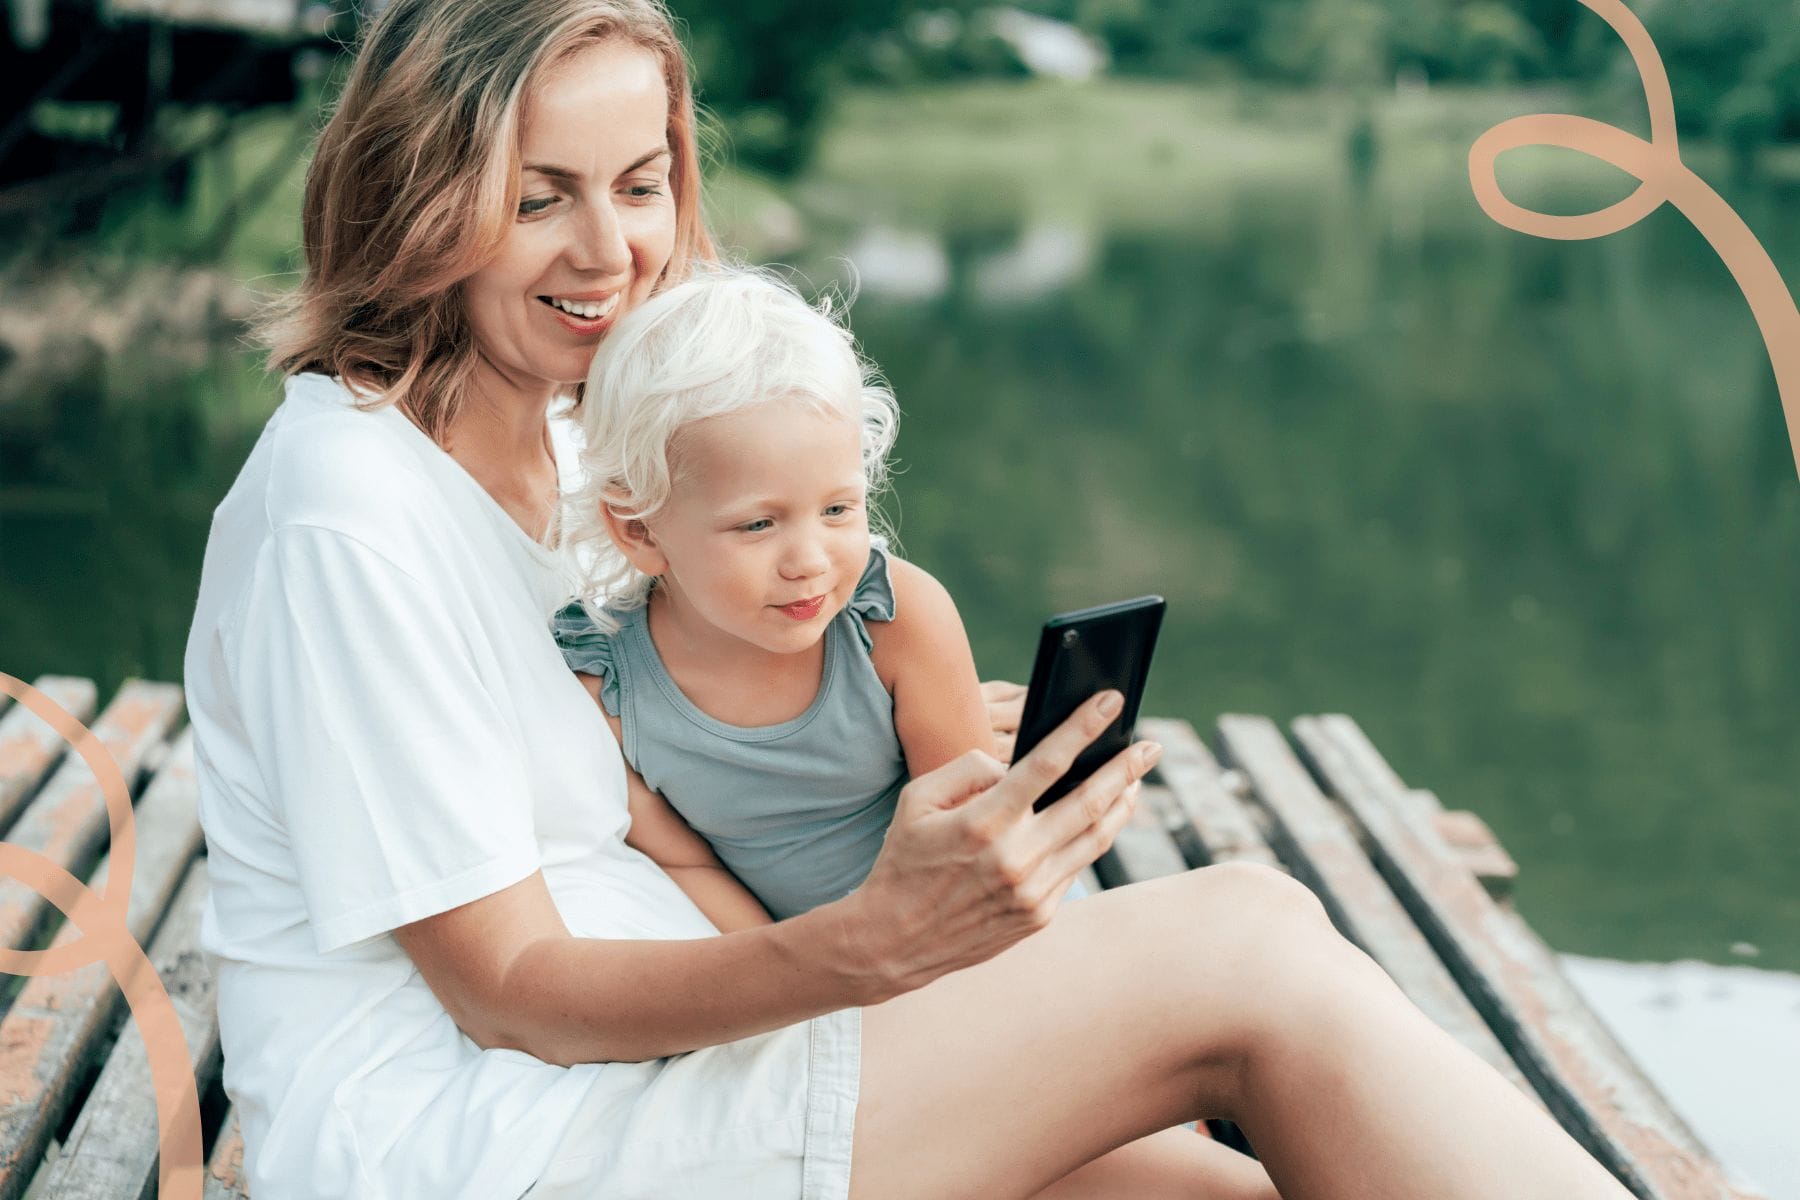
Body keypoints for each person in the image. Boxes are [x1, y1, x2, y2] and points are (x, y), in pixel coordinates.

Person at [182, 0, 1639, 1197]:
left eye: (640, 186)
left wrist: (881, 742)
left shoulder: (582, 450)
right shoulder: (346, 515)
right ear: (418, 194)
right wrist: (863, 948)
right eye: (536, 198)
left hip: (665, 1051)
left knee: (1227, 1186)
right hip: (488, 1138)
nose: (610, 254)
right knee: (1243, 935)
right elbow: (501, 988)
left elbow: (652, 725)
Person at [549, 266, 1047, 924]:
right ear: (639, 529)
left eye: (839, 509)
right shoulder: (609, 689)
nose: (809, 562)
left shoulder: (897, 622)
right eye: (758, 524)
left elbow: (971, 839)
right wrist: (801, 989)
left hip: (969, 932)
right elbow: (685, 862)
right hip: (808, 979)